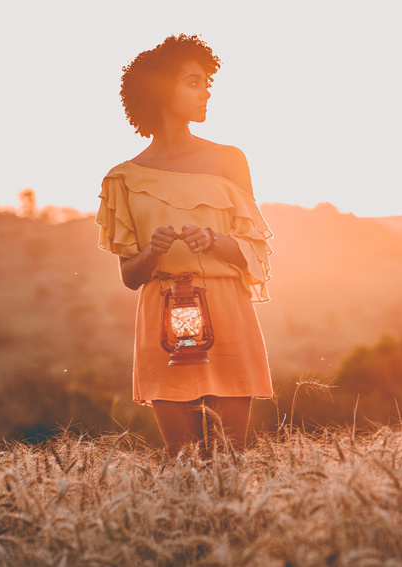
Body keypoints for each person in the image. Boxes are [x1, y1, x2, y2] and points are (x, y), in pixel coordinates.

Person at [95, 34, 273, 457]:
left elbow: (256, 253)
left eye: (206, 82)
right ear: (160, 89)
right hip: (162, 320)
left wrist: (214, 241)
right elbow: (129, 276)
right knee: (183, 466)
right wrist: (152, 252)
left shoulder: (230, 160)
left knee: (230, 460)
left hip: (228, 308)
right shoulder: (122, 179)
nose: (206, 91)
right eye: (193, 82)